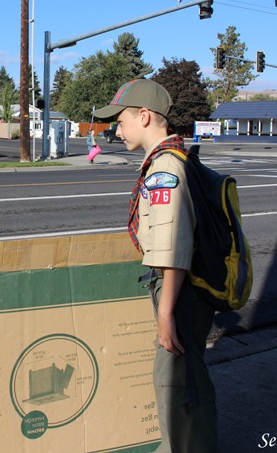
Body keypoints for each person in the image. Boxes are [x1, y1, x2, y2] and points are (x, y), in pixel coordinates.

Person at [93, 79, 217, 453]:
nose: (116, 128)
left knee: (176, 388)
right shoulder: (174, 159)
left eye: (120, 120)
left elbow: (171, 247)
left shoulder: (165, 169)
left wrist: (166, 314)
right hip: (184, 291)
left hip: (179, 292)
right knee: (184, 382)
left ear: (144, 116)